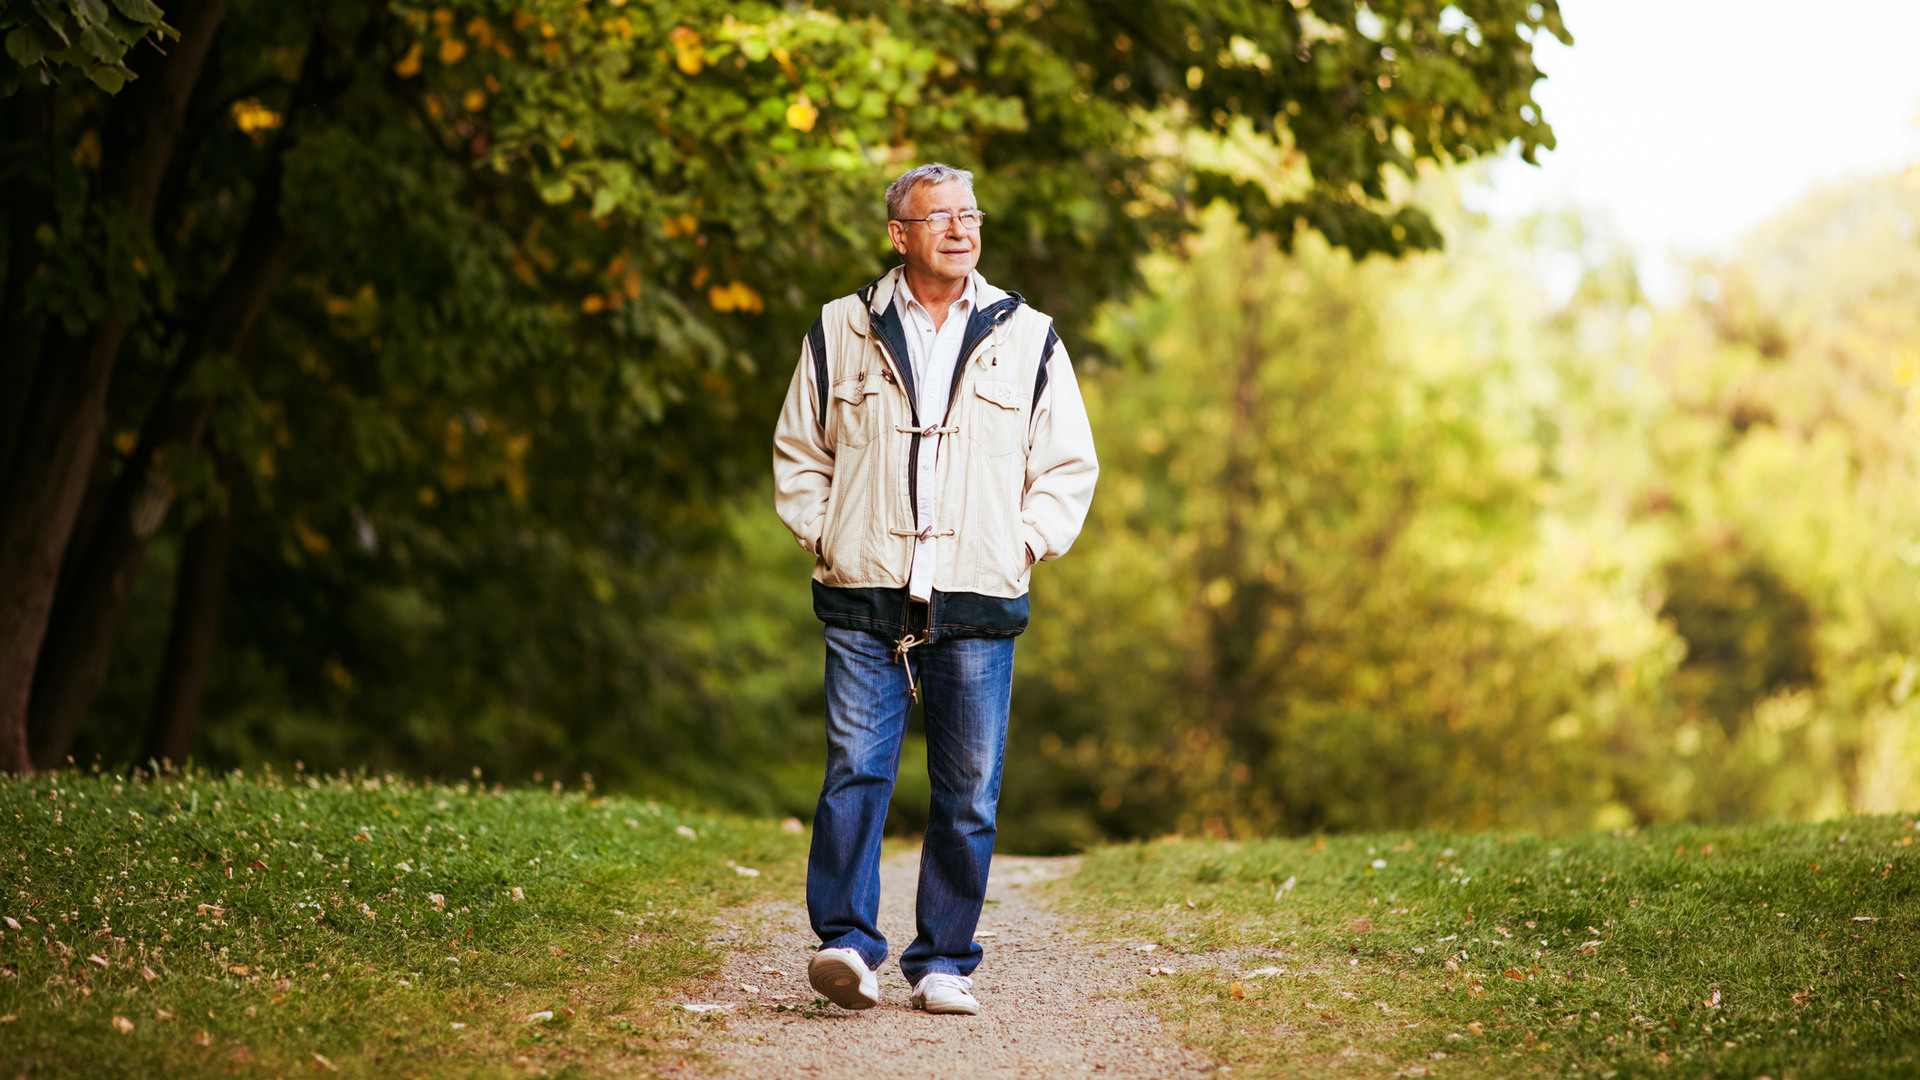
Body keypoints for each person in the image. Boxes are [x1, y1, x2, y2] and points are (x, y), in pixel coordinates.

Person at [771, 163, 1099, 1016]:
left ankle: (944, 961)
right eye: (940, 217)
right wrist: (829, 536)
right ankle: (847, 946)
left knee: (969, 791)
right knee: (854, 773)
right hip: (865, 592)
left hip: (978, 594)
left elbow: (1068, 464)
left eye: (970, 215)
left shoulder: (1029, 335)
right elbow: (800, 453)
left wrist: (1020, 545)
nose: (961, 229)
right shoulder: (841, 327)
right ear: (899, 234)